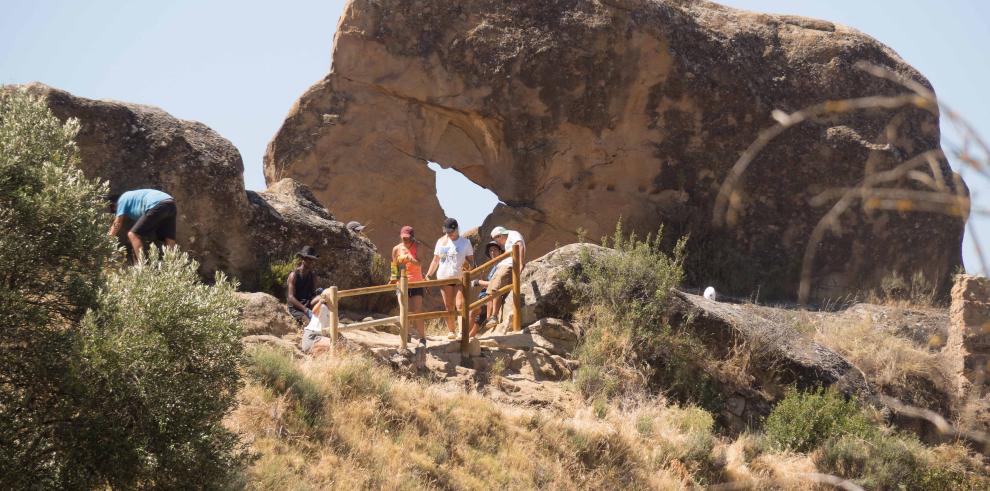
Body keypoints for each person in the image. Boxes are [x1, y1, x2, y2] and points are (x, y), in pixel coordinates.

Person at [425, 218, 474, 340]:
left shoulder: (465, 243)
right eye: (447, 232)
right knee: (448, 305)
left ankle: (462, 332)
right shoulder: (440, 242)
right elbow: (436, 260)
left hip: (459, 278)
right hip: (444, 277)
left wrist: (468, 266)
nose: (449, 234)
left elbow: (472, 261)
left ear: (456, 229)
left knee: (460, 304)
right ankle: (451, 331)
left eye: (451, 231)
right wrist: (429, 274)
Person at [107, 188, 177, 259]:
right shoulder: (132, 201)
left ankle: (142, 266)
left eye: (112, 207)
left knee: (132, 234)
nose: (114, 211)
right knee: (169, 238)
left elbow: (117, 223)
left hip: (157, 204)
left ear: (115, 203)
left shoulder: (122, 199)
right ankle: (173, 265)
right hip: (170, 203)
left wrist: (107, 241)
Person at [391, 225, 427, 346]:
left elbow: (419, 263)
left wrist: (409, 258)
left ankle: (422, 337)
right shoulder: (396, 248)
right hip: (401, 283)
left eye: (407, 238)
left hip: (416, 281)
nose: (405, 240)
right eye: (403, 238)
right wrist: (393, 278)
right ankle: (406, 335)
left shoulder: (418, 246)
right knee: (404, 309)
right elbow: (394, 265)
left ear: (412, 237)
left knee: (417, 310)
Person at [485, 226, 526, 328]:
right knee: (492, 290)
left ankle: (493, 316)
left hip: (509, 265)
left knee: (496, 287)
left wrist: (520, 263)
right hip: (505, 265)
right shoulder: (507, 241)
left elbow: (519, 245)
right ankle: (491, 318)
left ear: (499, 236)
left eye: (496, 240)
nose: (498, 243)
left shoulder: (513, 234)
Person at [468, 241, 504, 338]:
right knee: (478, 318)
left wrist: (478, 282)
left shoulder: (502, 265)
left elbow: (495, 283)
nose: (492, 252)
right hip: (486, 294)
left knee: (473, 312)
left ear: (500, 251)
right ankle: (467, 339)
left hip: (490, 296)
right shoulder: (494, 266)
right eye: (490, 250)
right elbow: (491, 283)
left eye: (495, 250)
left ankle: (464, 336)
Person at [286, 246, 322, 325]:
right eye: (309, 259)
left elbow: (312, 294)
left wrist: (320, 295)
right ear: (303, 259)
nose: (311, 262)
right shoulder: (294, 275)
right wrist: (305, 310)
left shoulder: (311, 275)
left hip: (307, 303)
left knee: (324, 299)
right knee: (309, 323)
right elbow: (291, 297)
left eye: (313, 260)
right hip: (296, 307)